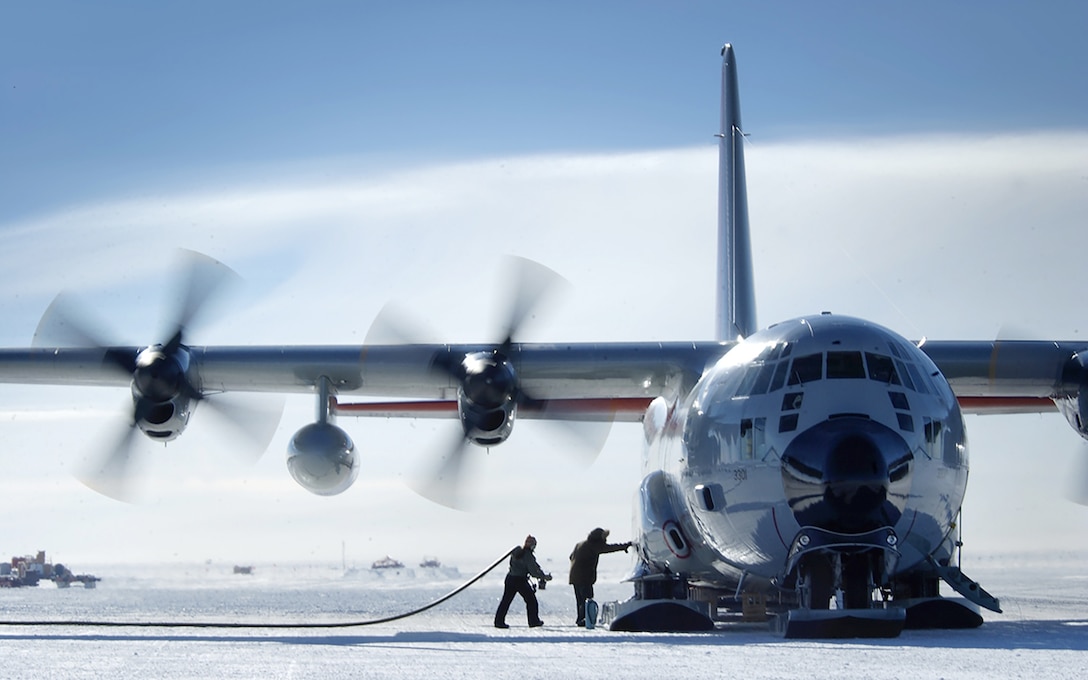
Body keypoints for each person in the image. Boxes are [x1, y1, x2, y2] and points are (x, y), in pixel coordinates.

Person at [568, 527, 631, 627]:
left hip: (575, 576)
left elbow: (571, 556)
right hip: (584, 577)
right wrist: (624, 546)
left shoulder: (580, 544)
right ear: (599, 538)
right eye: (604, 538)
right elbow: (609, 548)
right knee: (587, 599)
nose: (605, 541)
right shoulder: (593, 546)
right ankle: (584, 620)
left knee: (580, 600)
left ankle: (580, 619)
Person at [494, 534, 553, 629]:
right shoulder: (528, 555)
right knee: (531, 601)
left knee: (505, 601)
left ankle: (499, 621)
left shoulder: (517, 552)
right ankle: (533, 621)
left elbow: (533, 566)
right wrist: (544, 577)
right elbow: (533, 570)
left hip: (510, 578)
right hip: (520, 580)